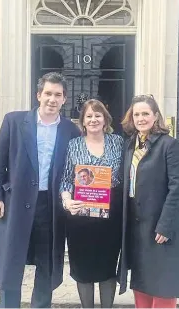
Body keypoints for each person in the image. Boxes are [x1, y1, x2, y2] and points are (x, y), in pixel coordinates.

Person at [0, 72, 80, 308]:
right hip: (15, 202)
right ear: (38, 95)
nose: (52, 99)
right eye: (48, 93)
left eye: (58, 95)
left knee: (47, 264)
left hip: (51, 206)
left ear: (64, 99)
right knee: (11, 263)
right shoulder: (14, 121)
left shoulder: (71, 130)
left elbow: (75, 168)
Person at [118, 95, 179, 309]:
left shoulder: (168, 145)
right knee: (142, 280)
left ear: (155, 116)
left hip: (159, 225)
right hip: (136, 225)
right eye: (136, 114)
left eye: (145, 113)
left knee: (163, 284)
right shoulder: (129, 146)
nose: (141, 118)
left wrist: (165, 224)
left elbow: (176, 187)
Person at [60, 99, 124, 308]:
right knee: (83, 268)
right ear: (83, 121)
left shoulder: (118, 142)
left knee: (107, 266)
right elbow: (66, 179)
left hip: (110, 215)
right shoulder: (73, 145)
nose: (94, 119)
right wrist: (67, 201)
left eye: (98, 115)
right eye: (89, 116)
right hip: (81, 215)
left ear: (105, 119)